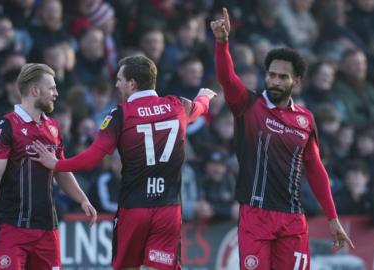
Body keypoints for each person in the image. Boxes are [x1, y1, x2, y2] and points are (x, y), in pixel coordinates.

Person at [30, 55, 216, 269]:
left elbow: (92, 157)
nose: (117, 84)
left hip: (134, 208)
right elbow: (199, 108)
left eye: (119, 79)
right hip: (168, 209)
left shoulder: (121, 114)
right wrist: (204, 97)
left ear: (132, 83)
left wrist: (57, 164)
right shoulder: (176, 106)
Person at [210, 8, 354, 270]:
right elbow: (227, 79)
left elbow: (315, 168)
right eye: (271, 75)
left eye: (282, 77)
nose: (274, 81)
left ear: (296, 82)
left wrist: (333, 218)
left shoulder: (305, 119)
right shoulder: (248, 105)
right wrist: (222, 44)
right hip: (256, 216)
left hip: (293, 219)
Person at [0, 63, 97, 270]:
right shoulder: (6, 127)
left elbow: (60, 170)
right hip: (13, 227)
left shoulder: (53, 127)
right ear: (35, 90)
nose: (56, 93)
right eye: (52, 88)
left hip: (48, 228)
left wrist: (83, 199)